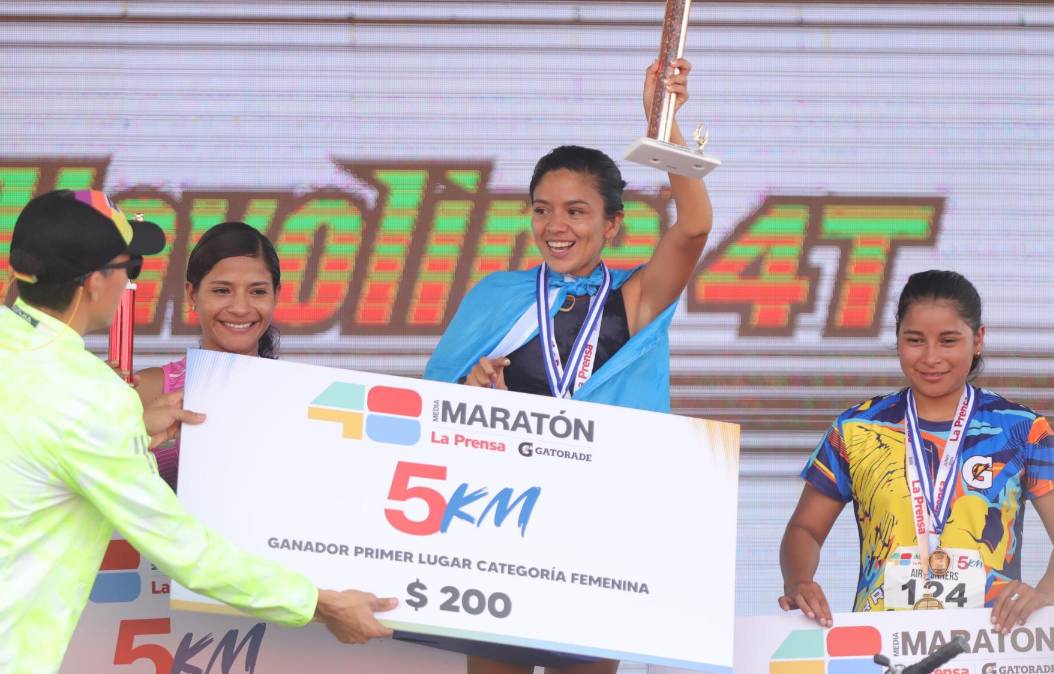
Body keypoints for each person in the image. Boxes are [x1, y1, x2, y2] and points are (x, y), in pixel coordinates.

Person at [0, 190, 397, 674]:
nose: (131, 281)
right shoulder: (94, 398)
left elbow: (36, 455)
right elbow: (186, 551)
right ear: (96, 283)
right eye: (130, 267)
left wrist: (135, 437)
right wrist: (323, 604)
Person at [424, 60, 712, 674]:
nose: (556, 226)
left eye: (577, 212)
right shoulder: (496, 297)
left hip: (600, 536)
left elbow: (694, 226)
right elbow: (432, 407)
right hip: (497, 535)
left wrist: (666, 127)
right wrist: (467, 388)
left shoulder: (634, 299)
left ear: (612, 224)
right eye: (542, 210)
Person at [778, 270, 1054, 634]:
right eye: (915, 340)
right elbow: (805, 529)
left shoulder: (1021, 429)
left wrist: (1047, 593)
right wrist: (798, 581)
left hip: (990, 645)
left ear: (978, 340)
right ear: (897, 340)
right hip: (880, 648)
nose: (931, 357)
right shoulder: (856, 429)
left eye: (948, 341)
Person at [133, 221, 281, 490]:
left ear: (275, 296)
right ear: (192, 294)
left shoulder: (297, 396)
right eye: (221, 290)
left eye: (258, 291)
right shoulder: (147, 389)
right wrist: (135, 434)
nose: (239, 308)